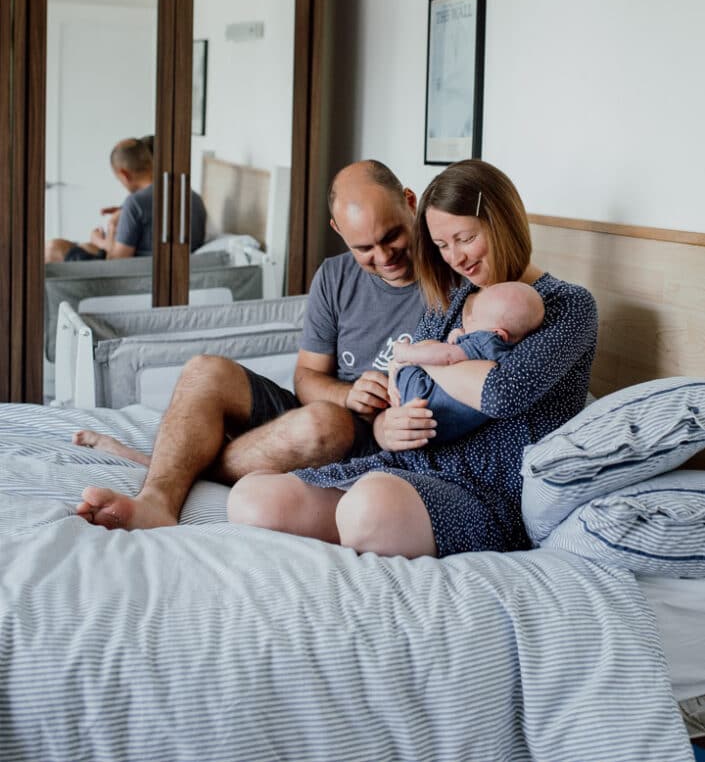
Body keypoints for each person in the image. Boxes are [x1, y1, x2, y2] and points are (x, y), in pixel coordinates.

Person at [225, 159, 598, 560]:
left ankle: (370, 525)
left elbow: (501, 393)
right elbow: (397, 382)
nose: (456, 258)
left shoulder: (567, 305)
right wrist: (387, 426)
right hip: (407, 465)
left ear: (502, 220)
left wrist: (431, 359)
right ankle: (367, 521)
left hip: (485, 491)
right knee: (253, 499)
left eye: (465, 238)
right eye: (441, 245)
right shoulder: (451, 299)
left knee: (368, 506)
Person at [74, 159, 426, 529]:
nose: (384, 257)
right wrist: (348, 395)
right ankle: (156, 501)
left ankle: (176, 465)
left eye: (391, 237)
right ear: (338, 230)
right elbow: (306, 377)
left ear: (410, 202)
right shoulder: (334, 276)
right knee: (204, 370)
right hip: (325, 413)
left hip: (376, 435)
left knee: (324, 422)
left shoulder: (447, 280)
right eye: (365, 248)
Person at [392, 281, 545, 442]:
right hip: (446, 428)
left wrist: (406, 353)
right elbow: (465, 355)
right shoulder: (504, 352)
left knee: (405, 369)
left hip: (422, 401)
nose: (469, 318)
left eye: (475, 317)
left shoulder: (486, 340)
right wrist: (460, 337)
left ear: (497, 333)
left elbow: (448, 356)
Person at [45, 136, 206, 262]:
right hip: (159, 265)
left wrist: (103, 240)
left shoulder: (136, 203)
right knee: (76, 246)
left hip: (137, 274)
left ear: (124, 174)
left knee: (52, 249)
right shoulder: (194, 197)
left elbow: (117, 261)